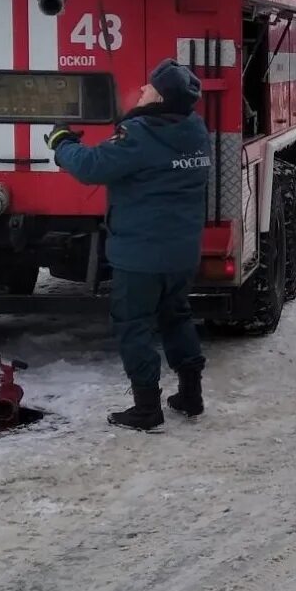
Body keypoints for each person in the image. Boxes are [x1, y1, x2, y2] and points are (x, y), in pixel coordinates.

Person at [48, 58, 212, 431]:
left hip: (140, 255)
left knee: (133, 325)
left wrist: (62, 143)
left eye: (149, 87)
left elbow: (90, 167)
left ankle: (146, 409)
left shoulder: (141, 134)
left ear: (160, 96)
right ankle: (190, 394)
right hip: (182, 251)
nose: (141, 90)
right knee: (176, 317)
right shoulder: (194, 128)